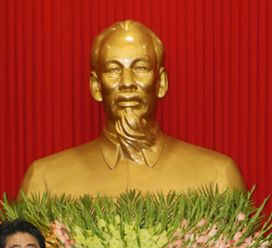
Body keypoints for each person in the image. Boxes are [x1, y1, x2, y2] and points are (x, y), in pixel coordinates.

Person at [20, 20, 245, 197]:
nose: (127, 82)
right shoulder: (45, 180)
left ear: (161, 83)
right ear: (96, 86)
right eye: (113, 70)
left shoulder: (217, 177)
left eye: (141, 67)